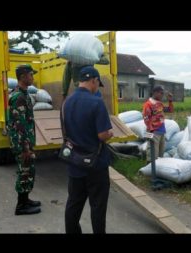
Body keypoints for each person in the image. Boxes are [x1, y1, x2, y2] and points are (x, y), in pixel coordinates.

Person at [63, 65, 114, 234]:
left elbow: (65, 131)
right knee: (98, 207)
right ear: (94, 80)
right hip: (95, 164)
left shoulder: (66, 102)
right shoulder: (97, 103)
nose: (96, 89)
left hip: (74, 162)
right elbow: (102, 135)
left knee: (73, 204)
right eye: (97, 84)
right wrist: (110, 133)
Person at [7, 64, 41, 215]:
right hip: (22, 144)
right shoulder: (19, 97)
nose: (32, 77)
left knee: (29, 171)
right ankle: (21, 206)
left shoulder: (23, 94)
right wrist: (25, 148)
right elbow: (19, 125)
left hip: (25, 141)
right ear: (22, 77)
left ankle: (26, 199)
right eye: (30, 75)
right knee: (25, 172)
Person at [142, 86, 174, 162]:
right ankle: (150, 170)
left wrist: (170, 101)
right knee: (152, 153)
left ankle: (158, 169)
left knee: (160, 153)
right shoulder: (148, 104)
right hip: (154, 131)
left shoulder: (159, 104)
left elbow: (170, 110)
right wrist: (151, 131)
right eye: (161, 93)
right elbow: (146, 118)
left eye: (163, 93)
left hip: (162, 131)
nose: (162, 95)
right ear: (155, 93)